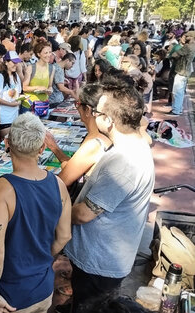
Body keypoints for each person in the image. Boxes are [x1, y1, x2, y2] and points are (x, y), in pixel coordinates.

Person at [64, 77, 155, 313]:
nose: (92, 115)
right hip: (102, 258)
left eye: (96, 111)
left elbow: (84, 214)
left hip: (99, 264)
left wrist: (58, 211)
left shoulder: (124, 161)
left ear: (108, 120)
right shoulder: (133, 145)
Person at [0, 112, 71, 313]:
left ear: (7, 143)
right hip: (42, 289)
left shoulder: (0, 189)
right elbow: (64, 236)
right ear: (42, 148)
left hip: (9, 295)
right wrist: (40, 258)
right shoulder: (58, 184)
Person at [45, 83, 112, 197]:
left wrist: (54, 148)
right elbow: (74, 166)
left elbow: (64, 178)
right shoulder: (101, 134)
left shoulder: (94, 144)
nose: (76, 108)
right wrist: (53, 147)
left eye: (78, 104)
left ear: (88, 110)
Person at [0, 51, 22, 144]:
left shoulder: (16, 77)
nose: (16, 64)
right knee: (8, 143)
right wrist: (11, 104)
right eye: (13, 62)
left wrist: (19, 100)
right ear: (6, 62)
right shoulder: (0, 76)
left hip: (14, 116)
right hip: (4, 117)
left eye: (17, 62)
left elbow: (18, 94)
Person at [167, 30, 195, 116]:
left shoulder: (188, 47)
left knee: (177, 91)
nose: (185, 38)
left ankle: (176, 110)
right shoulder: (193, 46)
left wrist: (172, 55)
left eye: (187, 36)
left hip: (181, 70)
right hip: (186, 70)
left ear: (192, 37)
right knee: (181, 91)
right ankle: (178, 109)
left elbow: (175, 54)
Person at [22, 41, 55, 111]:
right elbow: (24, 88)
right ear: (38, 54)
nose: (49, 55)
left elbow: (50, 85)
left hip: (43, 105)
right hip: (29, 105)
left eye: (50, 52)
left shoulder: (52, 68)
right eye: (46, 53)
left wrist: (50, 89)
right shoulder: (31, 68)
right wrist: (38, 87)